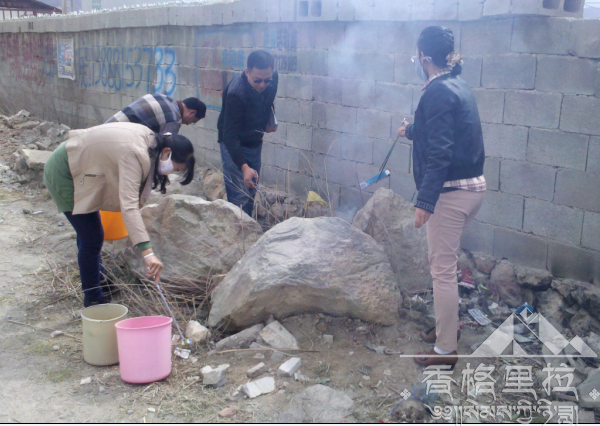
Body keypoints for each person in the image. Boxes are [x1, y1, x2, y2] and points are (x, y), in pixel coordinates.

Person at [397, 26, 486, 367]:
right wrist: (411, 131)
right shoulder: (456, 85)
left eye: (416, 56)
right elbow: (443, 132)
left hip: (451, 193)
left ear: (423, 57)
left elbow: (441, 152)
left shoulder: (436, 91)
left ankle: (445, 350)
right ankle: (446, 328)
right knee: (446, 264)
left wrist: (425, 200)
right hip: (472, 188)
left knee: (442, 271)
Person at [43, 122, 196, 307]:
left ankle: (98, 280)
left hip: (82, 165)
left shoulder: (151, 142)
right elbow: (129, 206)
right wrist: (148, 254)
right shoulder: (136, 152)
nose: (171, 173)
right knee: (91, 237)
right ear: (167, 152)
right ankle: (93, 298)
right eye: (176, 168)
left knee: (90, 234)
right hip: (66, 171)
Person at [217, 50, 278, 216]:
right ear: (247, 72)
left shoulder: (272, 78)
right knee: (240, 196)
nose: (263, 85)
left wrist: (268, 119)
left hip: (255, 142)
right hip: (234, 145)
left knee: (251, 190)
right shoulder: (236, 94)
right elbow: (229, 136)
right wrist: (244, 167)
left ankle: (247, 225)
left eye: (267, 80)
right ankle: (239, 230)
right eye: (257, 80)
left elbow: (268, 99)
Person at [106, 94, 207, 135]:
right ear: (192, 112)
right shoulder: (173, 119)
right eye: (193, 121)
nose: (189, 124)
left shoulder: (162, 97)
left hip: (107, 127)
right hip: (116, 136)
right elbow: (165, 149)